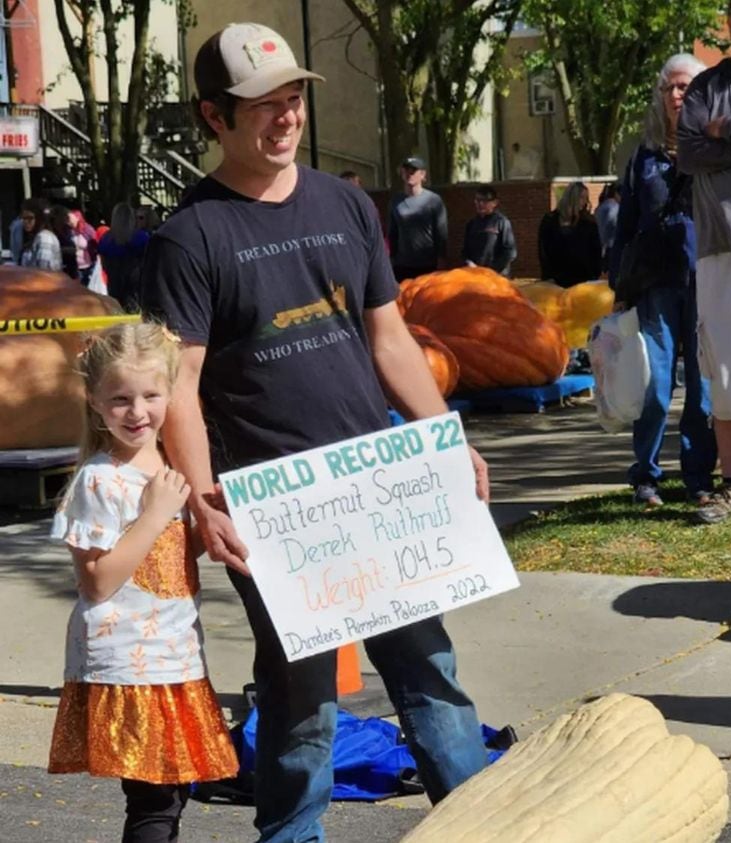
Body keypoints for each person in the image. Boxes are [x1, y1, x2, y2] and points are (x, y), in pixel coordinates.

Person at [140, 22, 492, 842]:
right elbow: (180, 388)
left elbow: (390, 339)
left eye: (293, 100)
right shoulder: (189, 237)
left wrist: (446, 437)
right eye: (264, 106)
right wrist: (200, 501)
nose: (285, 118)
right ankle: (291, 834)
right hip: (277, 508)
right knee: (301, 696)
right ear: (213, 117)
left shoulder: (345, 205)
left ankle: (484, 827)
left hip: (379, 486)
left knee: (429, 673)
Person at [48, 321, 239, 843]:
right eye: (121, 399)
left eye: (151, 395)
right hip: (129, 659)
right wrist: (154, 514)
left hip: (174, 651)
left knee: (172, 794)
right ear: (94, 400)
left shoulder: (171, 464)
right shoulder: (98, 479)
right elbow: (97, 581)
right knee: (153, 800)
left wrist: (210, 528)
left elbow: (169, 557)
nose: (137, 412)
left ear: (171, 392)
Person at [609, 53, 715, 508]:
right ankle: (646, 477)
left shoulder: (716, 147)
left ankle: (698, 477)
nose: (677, 94)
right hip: (655, 282)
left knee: (703, 384)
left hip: (705, 278)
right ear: (659, 94)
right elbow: (626, 224)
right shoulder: (643, 157)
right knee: (654, 382)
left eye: (686, 86)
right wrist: (618, 287)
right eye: (670, 87)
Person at [677, 0, 731, 524]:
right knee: (725, 368)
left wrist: (728, 132)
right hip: (720, 244)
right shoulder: (705, 88)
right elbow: (688, 152)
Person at [388, 155, 447, 282]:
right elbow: (393, 233)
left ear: (422, 175)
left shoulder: (433, 200)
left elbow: (441, 233)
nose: (409, 175)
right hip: (402, 265)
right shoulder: (396, 201)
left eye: (413, 171)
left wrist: (441, 260)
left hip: (428, 264)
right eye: (405, 171)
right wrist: (391, 259)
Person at [537, 181, 601, 287]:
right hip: (556, 278)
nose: (584, 202)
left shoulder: (588, 222)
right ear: (571, 197)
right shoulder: (550, 220)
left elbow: (595, 250)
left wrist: (594, 274)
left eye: (586, 198)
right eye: (581, 197)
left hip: (583, 279)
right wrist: (547, 276)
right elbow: (543, 249)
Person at [99, 203, 152, 312]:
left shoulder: (106, 238)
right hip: (136, 283)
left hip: (114, 283)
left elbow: (103, 263)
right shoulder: (141, 237)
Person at [461, 185, 517, 276]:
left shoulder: (501, 222)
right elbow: (465, 252)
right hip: (476, 276)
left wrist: (492, 271)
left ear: (495, 202)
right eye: (478, 200)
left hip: (497, 277)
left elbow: (510, 252)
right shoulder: (471, 224)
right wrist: (469, 263)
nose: (481, 204)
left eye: (485, 201)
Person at [17, 198, 62, 271]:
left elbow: (43, 270)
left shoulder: (45, 238)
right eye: (23, 218)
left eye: (29, 218)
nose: (25, 222)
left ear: (39, 218)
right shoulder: (34, 237)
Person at [595, 182, 620, 260]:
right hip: (611, 246)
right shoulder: (615, 207)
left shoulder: (599, 208)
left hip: (600, 245)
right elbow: (613, 225)